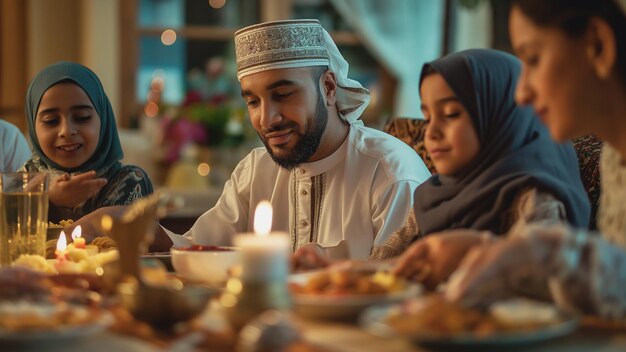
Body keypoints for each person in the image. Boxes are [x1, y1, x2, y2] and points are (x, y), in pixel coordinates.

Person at [155, 19, 429, 260]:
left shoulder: (390, 174)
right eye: (253, 101)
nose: (266, 119)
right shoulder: (255, 170)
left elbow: (400, 288)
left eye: (283, 94)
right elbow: (197, 251)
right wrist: (136, 230)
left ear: (329, 88)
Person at [445, 0, 626, 321]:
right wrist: (491, 250)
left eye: (533, 59)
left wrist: (552, 254)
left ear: (598, 46)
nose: (521, 94)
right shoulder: (614, 158)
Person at [388, 49, 590, 290]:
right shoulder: (434, 195)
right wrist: (351, 270)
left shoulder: (531, 194)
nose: (430, 133)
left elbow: (542, 275)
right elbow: (392, 259)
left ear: (501, 116)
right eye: (428, 117)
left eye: (451, 114)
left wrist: (481, 247)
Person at [22, 62, 153, 224]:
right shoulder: (23, 179)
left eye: (82, 117)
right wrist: (47, 198)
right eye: (51, 121)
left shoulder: (129, 181)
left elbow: (127, 240)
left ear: (103, 120)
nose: (66, 131)